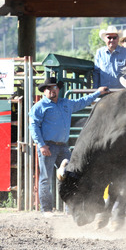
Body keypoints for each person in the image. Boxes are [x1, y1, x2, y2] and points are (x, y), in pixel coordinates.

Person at [29, 77, 109, 215]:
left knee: (71, 176)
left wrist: (97, 93)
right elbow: (33, 126)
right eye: (49, 88)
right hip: (47, 146)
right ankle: (46, 209)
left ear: (58, 89)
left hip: (62, 146)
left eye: (54, 88)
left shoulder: (65, 103)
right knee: (46, 178)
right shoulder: (39, 106)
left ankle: (70, 208)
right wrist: (41, 145)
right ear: (44, 91)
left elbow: (82, 102)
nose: (52, 91)